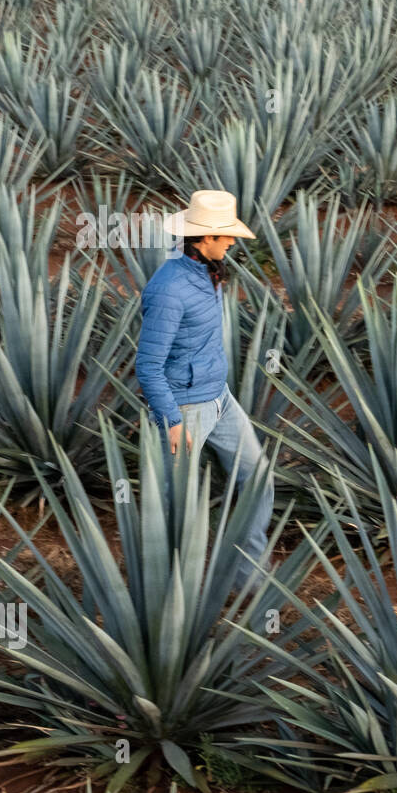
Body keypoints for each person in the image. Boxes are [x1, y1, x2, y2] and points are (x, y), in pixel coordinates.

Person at [134, 190, 274, 590]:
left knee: (257, 476)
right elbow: (148, 366)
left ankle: (248, 579)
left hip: (220, 398)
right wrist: (172, 421)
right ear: (204, 238)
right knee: (173, 507)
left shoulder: (207, 272)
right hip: (184, 408)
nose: (232, 242)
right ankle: (165, 596)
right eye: (226, 236)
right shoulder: (169, 289)